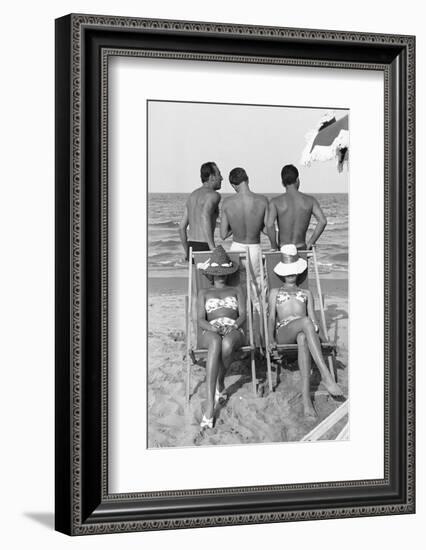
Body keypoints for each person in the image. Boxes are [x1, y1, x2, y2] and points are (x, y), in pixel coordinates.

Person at [268, 245, 342, 418]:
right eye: (287, 271)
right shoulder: (274, 292)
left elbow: (314, 321)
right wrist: (270, 339)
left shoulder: (306, 293)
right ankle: (325, 374)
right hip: (284, 333)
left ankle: (307, 401)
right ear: (282, 273)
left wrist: (324, 340)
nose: (290, 274)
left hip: (304, 330)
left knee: (303, 337)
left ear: (299, 272)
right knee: (305, 322)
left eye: (293, 270)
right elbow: (271, 317)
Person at [197, 246, 246, 429]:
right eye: (216, 273)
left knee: (226, 345)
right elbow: (200, 319)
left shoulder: (236, 290)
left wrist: (233, 325)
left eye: (223, 272)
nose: (220, 276)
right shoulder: (203, 293)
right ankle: (210, 404)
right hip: (210, 329)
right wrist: (212, 327)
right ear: (210, 274)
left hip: (233, 328)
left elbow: (243, 315)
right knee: (216, 341)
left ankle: (220, 381)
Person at [220, 167, 275, 299]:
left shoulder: (227, 203)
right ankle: (261, 317)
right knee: (259, 286)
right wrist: (275, 245)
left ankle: (243, 317)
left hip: (236, 249)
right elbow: (268, 228)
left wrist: (236, 224)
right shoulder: (262, 200)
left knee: (238, 287)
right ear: (247, 179)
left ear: (233, 185)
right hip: (254, 248)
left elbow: (223, 234)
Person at [267, 164, 327, 251]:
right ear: (297, 180)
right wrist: (311, 242)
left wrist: (274, 246)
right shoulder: (310, 200)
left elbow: (269, 225)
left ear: (282, 183)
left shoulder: (275, 202)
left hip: (283, 250)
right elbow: (323, 221)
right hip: (301, 248)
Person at [179, 162, 222, 260]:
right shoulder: (214, 195)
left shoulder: (192, 196)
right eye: (219, 174)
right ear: (212, 177)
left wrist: (187, 253)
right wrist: (212, 247)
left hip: (191, 247)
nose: (221, 178)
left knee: (195, 275)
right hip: (205, 246)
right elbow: (204, 216)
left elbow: (181, 227)